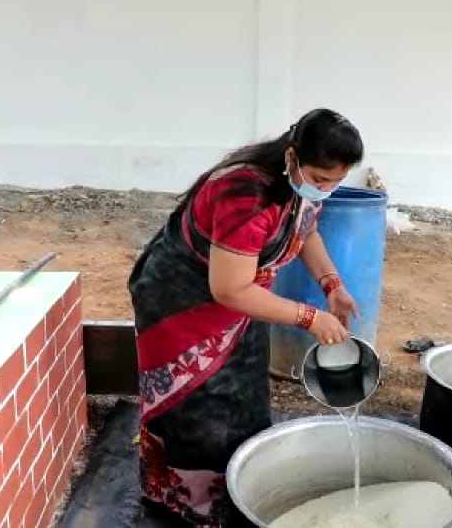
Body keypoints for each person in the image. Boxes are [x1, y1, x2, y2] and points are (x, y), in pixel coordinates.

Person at [128, 108, 364, 527]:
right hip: (185, 304)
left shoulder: (300, 187)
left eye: (336, 182)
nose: (326, 190)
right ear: (292, 157)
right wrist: (309, 316)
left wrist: (333, 285)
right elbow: (229, 289)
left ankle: (239, 487)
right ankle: (192, 504)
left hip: (242, 300)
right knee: (199, 406)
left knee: (243, 394)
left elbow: (304, 229)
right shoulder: (244, 194)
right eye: (321, 179)